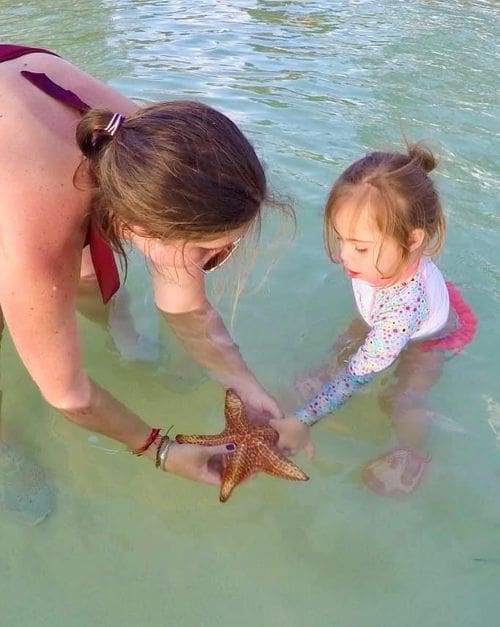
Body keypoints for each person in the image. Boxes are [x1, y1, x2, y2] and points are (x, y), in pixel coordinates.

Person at [0, 43, 287, 491]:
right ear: (143, 227)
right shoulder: (33, 239)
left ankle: (123, 340)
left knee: (84, 274)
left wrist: (242, 383)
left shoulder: (146, 149)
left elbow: (184, 304)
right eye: (208, 253)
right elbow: (67, 395)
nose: (208, 264)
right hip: (18, 186)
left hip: (21, 114)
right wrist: (161, 450)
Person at [271, 143, 477, 497]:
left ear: (413, 240)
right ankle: (332, 367)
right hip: (402, 297)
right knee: (356, 334)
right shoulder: (380, 261)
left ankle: (414, 452)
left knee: (403, 396)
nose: (342, 255)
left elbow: (356, 377)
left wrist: (303, 419)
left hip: (435, 335)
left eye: (359, 247)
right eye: (341, 239)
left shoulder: (401, 311)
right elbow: (371, 314)